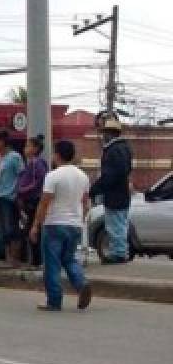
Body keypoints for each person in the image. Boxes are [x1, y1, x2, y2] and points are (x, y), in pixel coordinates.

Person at [30, 140, 92, 311]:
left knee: (52, 264)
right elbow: (86, 203)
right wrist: (80, 219)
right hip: (74, 224)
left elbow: (44, 203)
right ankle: (81, 283)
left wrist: (36, 225)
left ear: (57, 155)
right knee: (69, 258)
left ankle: (54, 300)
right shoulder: (83, 176)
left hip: (55, 223)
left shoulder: (53, 176)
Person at [89, 117, 133, 263]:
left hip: (114, 194)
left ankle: (118, 254)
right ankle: (120, 251)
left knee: (115, 225)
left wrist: (94, 189)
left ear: (110, 133)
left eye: (104, 132)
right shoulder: (124, 148)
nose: (103, 136)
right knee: (120, 223)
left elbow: (110, 175)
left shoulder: (113, 150)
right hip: (122, 192)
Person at [0, 129, 25, 267]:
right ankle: (7, 257)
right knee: (3, 230)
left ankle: (14, 259)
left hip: (10, 198)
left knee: (12, 229)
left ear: (2, 142)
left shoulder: (14, 157)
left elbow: (21, 175)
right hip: (0, 198)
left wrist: (18, 195)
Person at [16, 135, 48, 268]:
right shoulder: (31, 163)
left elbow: (38, 181)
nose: (25, 149)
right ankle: (33, 259)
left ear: (35, 149)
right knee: (30, 230)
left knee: (33, 231)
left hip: (34, 200)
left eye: (28, 146)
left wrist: (22, 190)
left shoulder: (37, 163)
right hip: (30, 200)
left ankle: (36, 260)